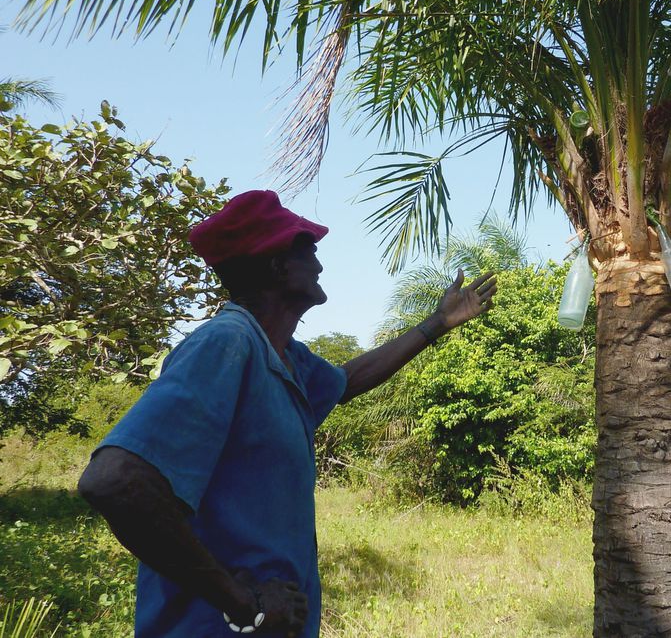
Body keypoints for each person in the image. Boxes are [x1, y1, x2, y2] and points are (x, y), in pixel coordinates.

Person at [77, 190, 497, 638]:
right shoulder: (226, 343)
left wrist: (439, 323)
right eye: (309, 253)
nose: (319, 265)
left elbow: (348, 380)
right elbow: (115, 481)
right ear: (277, 266)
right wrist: (241, 603)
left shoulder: (285, 358)